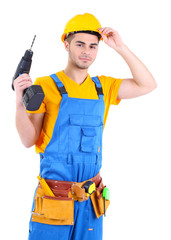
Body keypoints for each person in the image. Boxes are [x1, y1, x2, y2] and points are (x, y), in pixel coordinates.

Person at [14, 13, 157, 240]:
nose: (86, 51)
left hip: (90, 201)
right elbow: (28, 140)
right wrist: (19, 104)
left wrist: (120, 47)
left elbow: (147, 84)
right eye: (80, 44)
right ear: (66, 44)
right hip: (54, 200)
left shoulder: (104, 87)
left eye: (93, 46)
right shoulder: (45, 85)